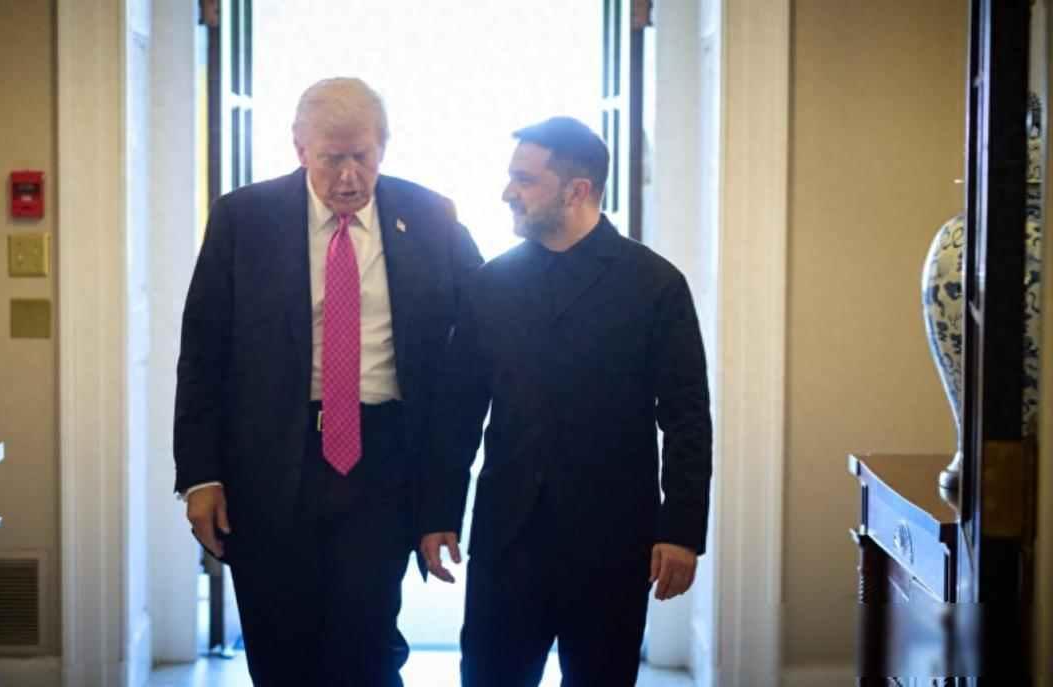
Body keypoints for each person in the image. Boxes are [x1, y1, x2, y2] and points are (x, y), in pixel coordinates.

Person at [174, 77, 482, 686]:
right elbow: (203, 353)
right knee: (279, 646)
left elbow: (488, 317)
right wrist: (200, 476)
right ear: (300, 149)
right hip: (269, 463)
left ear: (384, 146)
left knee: (366, 645)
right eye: (330, 158)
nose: (348, 177)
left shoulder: (430, 216)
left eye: (361, 157)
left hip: (382, 460)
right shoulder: (244, 219)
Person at [418, 116, 713, 687]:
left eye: (525, 180)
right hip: (508, 536)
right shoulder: (489, 285)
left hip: (615, 539)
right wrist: (437, 514)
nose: (508, 192)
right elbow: (457, 412)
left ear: (577, 190)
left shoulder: (655, 285)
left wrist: (680, 530)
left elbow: (686, 419)